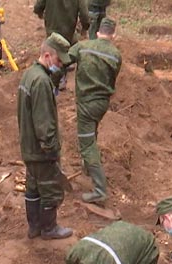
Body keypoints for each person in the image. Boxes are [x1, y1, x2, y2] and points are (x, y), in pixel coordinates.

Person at [18, 33, 74, 240]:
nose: (60, 65)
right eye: (59, 60)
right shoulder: (41, 82)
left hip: (29, 146)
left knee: (33, 186)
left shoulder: (29, 75)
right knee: (50, 189)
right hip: (41, 150)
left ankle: (34, 228)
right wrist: (52, 150)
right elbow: (44, 122)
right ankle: (49, 228)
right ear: (48, 55)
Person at [67, 17, 122, 205]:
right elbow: (112, 78)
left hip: (86, 104)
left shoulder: (83, 46)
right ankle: (88, 166)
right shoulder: (116, 55)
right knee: (92, 132)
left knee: (87, 144)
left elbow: (66, 58)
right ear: (113, 35)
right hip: (102, 104)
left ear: (98, 32)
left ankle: (99, 190)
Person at [34, 0, 90, 89]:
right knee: (65, 47)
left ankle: (57, 77)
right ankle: (63, 71)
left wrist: (39, 12)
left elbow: (39, 5)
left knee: (53, 49)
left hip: (52, 26)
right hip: (68, 28)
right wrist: (85, 27)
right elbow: (84, 13)